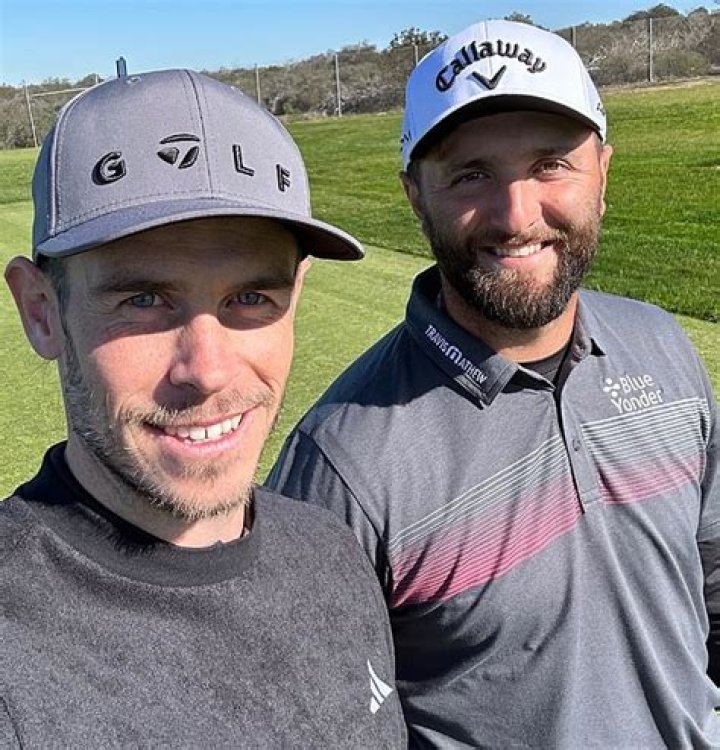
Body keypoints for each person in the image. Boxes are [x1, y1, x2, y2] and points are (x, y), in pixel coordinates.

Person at [268, 19, 720, 748]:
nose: (517, 216)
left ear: (603, 174)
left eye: (551, 165)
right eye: (471, 174)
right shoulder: (341, 463)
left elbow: (713, 582)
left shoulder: (661, 344)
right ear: (416, 195)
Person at [0, 68, 406, 748]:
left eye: (250, 298)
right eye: (143, 300)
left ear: (296, 295)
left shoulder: (331, 550)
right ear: (42, 312)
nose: (208, 372)